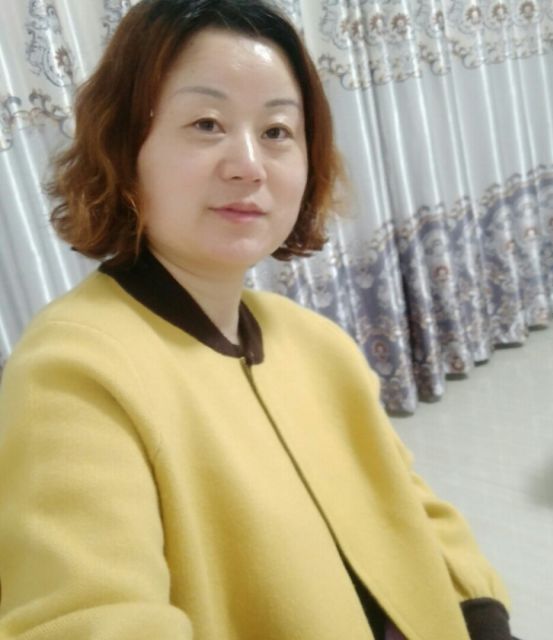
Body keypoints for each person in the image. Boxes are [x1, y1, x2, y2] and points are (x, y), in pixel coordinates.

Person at [0, 1, 517, 638]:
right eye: (207, 123)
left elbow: (410, 502)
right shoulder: (73, 373)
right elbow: (86, 614)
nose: (249, 164)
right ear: (126, 148)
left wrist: (482, 614)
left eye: (276, 132)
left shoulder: (313, 341)